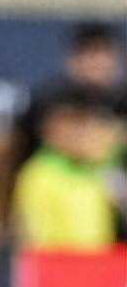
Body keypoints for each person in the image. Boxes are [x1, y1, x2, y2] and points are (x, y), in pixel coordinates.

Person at [13, 85, 120, 250]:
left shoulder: (97, 170)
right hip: (60, 262)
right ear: (48, 130)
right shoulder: (40, 174)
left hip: (101, 262)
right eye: (71, 126)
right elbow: (37, 239)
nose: (81, 134)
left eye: (84, 124)